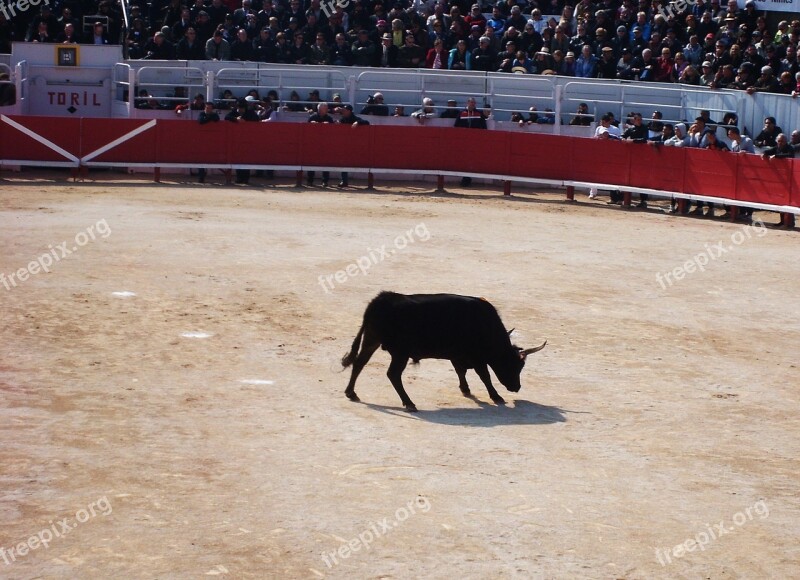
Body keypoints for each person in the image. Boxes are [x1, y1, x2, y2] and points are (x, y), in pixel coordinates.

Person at [453, 97, 488, 186]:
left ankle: (466, 178)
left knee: (471, 160)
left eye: (474, 103)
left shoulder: (479, 113)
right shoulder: (461, 113)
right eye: (471, 102)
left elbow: (484, 128)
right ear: (467, 103)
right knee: (464, 160)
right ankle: (466, 178)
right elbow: (456, 127)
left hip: (475, 141)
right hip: (463, 141)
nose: (473, 104)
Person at [225, 98, 259, 183]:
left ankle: (245, 178)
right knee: (239, 158)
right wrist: (236, 119)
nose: (240, 109)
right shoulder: (235, 112)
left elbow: (256, 119)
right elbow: (226, 117)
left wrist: (245, 121)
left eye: (242, 108)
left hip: (248, 138)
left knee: (245, 158)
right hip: (237, 138)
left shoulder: (250, 112)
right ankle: (239, 178)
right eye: (239, 107)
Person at [335, 105, 369, 187]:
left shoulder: (355, 118)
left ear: (349, 111)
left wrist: (358, 122)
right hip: (345, 144)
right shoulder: (343, 119)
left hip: (355, 144)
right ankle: (344, 181)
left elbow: (366, 122)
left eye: (344, 110)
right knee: (344, 162)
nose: (343, 112)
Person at [307, 102, 335, 186]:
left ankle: (325, 181)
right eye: (324, 108)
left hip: (326, 143)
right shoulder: (312, 117)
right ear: (319, 109)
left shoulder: (329, 118)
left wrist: (330, 125)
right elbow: (307, 129)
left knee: (325, 162)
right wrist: (311, 124)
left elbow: (333, 131)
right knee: (312, 162)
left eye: (326, 108)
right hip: (314, 143)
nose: (326, 110)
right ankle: (310, 180)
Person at [197, 102, 220, 183]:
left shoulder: (214, 115)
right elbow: (200, 121)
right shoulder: (202, 114)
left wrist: (208, 118)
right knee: (201, 159)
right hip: (202, 140)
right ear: (204, 108)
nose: (208, 109)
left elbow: (217, 119)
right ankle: (201, 177)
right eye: (207, 108)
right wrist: (210, 119)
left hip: (213, 141)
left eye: (210, 108)